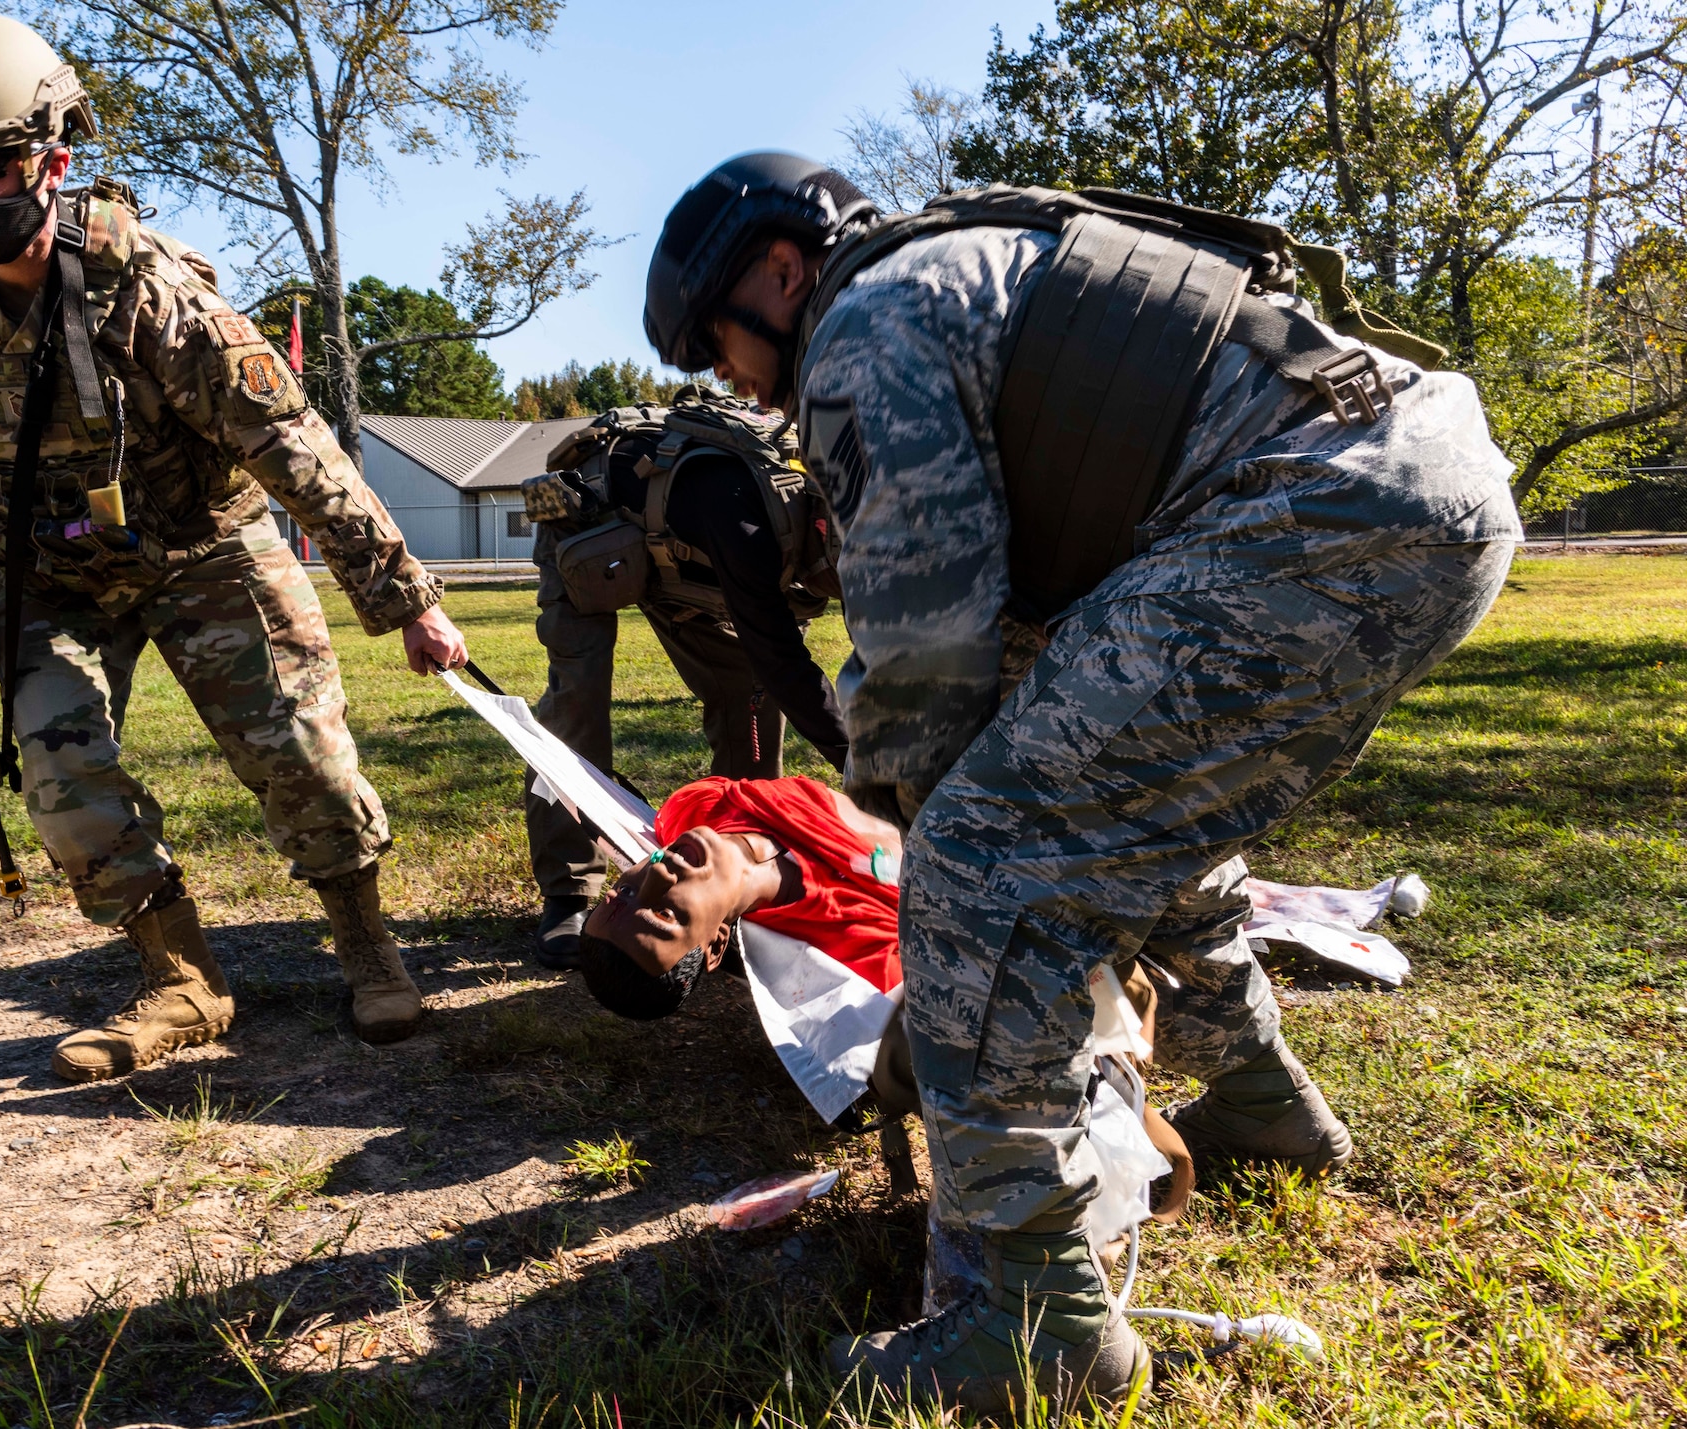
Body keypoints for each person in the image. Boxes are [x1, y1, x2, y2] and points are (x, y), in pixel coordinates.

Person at [645, 152, 1523, 1416]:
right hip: (1413, 485)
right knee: (1124, 813)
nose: (727, 382)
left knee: (980, 862)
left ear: (779, 274)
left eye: (715, 346)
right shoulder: (971, 267)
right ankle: (1264, 1101)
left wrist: (930, 894)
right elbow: (1022, 641)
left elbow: (925, 666)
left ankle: (1028, 1321)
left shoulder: (862, 328)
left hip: (1312, 513)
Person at [0, 12, 469, 1081]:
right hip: (50, 570)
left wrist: (404, 596)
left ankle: (365, 945)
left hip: (206, 549)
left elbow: (292, 444)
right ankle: (183, 981)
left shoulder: (146, 289)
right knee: (58, 778)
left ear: (53, 158)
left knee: (302, 757)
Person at [522, 392, 849, 970]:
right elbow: (784, 662)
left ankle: (739, 862)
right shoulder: (747, 519)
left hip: (680, 558)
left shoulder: (841, 504)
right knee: (579, 700)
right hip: (589, 533)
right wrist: (864, 767)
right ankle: (569, 890)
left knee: (743, 693)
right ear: (822, 531)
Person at [576, 773, 901, 1018]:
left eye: (625, 891)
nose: (659, 873)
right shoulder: (855, 943)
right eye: (664, 914)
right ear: (716, 945)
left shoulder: (694, 806)